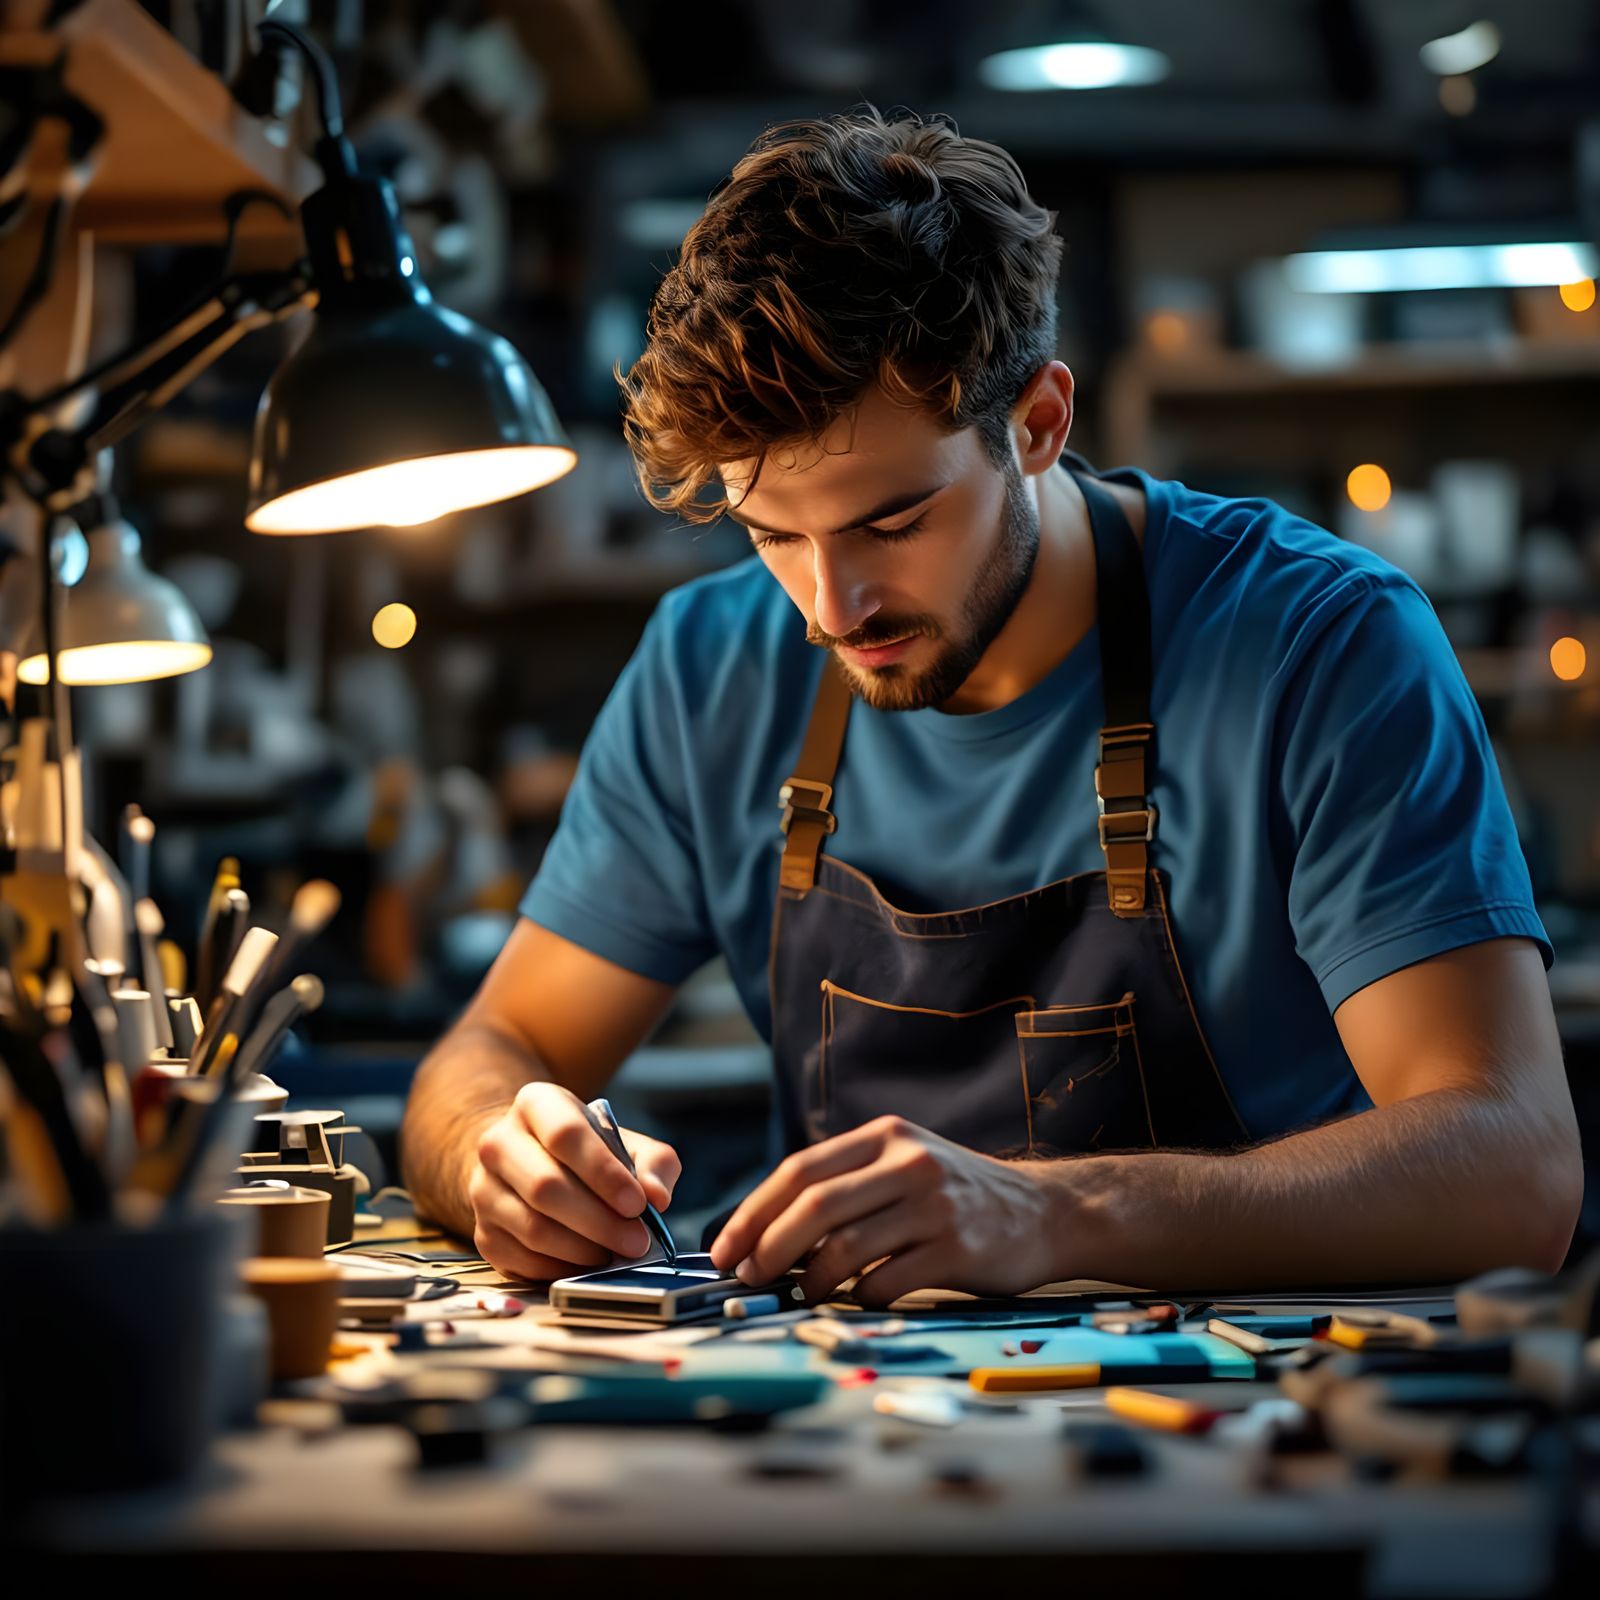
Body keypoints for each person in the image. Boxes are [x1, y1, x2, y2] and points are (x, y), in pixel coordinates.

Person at [401, 108, 1581, 1302]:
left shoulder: (1318, 641)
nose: (830, 606)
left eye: (892, 522)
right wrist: (498, 1150)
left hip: (1244, 1433)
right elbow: (493, 1055)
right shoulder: (711, 667)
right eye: (772, 535)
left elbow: (1513, 1169)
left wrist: (1059, 1212)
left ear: (1037, 425)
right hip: (837, 1419)